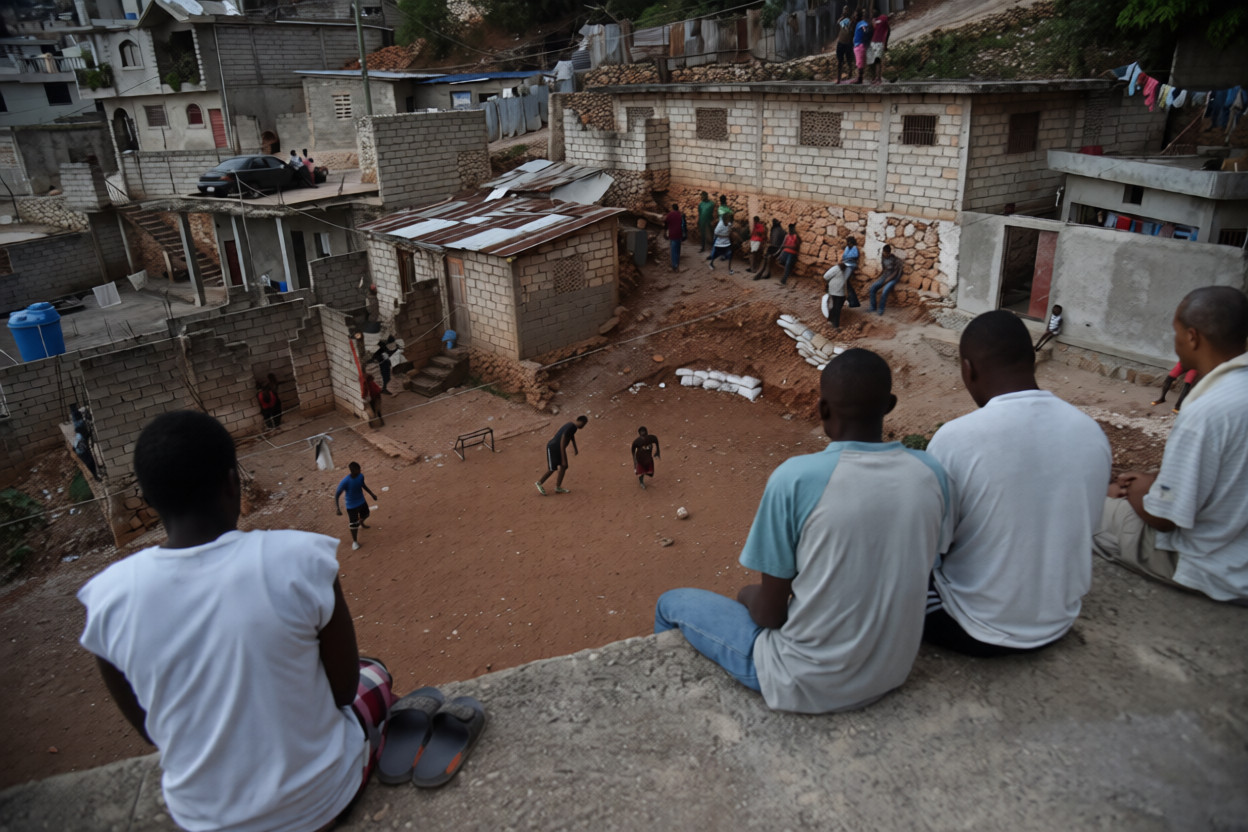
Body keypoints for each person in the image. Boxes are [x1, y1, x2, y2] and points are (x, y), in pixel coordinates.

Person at [78, 411, 392, 832]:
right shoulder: (300, 558)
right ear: (232, 483)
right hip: (322, 800)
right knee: (373, 672)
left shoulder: (108, 598)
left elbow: (153, 729)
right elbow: (342, 691)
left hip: (203, 819)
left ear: (150, 501)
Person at [654, 350, 953, 713]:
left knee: (670, 603)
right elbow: (927, 563)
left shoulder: (795, 478)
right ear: (889, 405)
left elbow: (770, 616)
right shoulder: (931, 473)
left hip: (803, 679)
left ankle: (668, 708)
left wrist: (747, 594)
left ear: (823, 410)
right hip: (890, 672)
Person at [925, 311, 1112, 657]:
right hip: (1058, 622)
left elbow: (933, 546)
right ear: (1032, 360)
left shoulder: (955, 439)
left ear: (969, 368)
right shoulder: (1090, 432)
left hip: (973, 629)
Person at [1094, 286, 1248, 604]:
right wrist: (1154, 480)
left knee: (1077, 503)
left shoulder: (1206, 409)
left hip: (1211, 568)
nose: (1175, 341)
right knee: (1148, 475)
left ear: (1192, 337)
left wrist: (1135, 491)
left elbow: (1164, 519)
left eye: (1176, 333)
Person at [536, 415, 588, 495]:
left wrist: (575, 447)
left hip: (558, 448)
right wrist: (563, 458)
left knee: (564, 466)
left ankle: (558, 487)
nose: (583, 426)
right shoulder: (572, 426)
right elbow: (563, 439)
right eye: (584, 424)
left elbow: (571, 436)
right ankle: (539, 483)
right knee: (552, 469)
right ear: (581, 421)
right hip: (553, 447)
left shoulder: (573, 427)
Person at [336, 460, 379, 551]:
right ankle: (355, 542)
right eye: (358, 469)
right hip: (351, 506)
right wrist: (338, 508)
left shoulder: (360, 476)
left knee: (366, 514)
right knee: (353, 525)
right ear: (353, 470)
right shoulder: (345, 481)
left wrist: (372, 494)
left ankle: (361, 523)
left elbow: (363, 485)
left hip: (361, 501)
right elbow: (337, 494)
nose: (360, 470)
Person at [868, 244, 903, 315]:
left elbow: (895, 273)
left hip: (893, 278)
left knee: (884, 291)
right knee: (872, 288)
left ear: (889, 253)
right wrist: (879, 278)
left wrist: (886, 281)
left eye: (886, 253)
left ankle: (881, 309)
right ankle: (873, 307)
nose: (884, 254)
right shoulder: (883, 257)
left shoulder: (894, 259)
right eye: (883, 252)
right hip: (885, 276)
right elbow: (884, 269)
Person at [70, 403, 99, 480]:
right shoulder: (81, 430)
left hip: (80, 448)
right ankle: (95, 475)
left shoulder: (80, 429)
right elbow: (85, 436)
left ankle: (95, 475)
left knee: (90, 463)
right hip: (82, 451)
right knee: (90, 463)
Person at [823, 262, 848, 329]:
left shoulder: (842, 269)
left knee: (836, 307)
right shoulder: (836, 268)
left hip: (838, 290)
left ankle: (830, 320)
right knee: (837, 308)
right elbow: (825, 276)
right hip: (835, 290)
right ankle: (835, 325)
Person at [867, 13, 890, 84]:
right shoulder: (880, 20)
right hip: (876, 42)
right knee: (875, 61)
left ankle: (877, 78)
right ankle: (876, 78)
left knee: (875, 61)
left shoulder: (881, 19)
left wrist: (885, 44)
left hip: (877, 42)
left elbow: (887, 31)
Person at [664, 202, 686, 272]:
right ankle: (677, 263)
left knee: (673, 250)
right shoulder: (681, 215)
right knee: (678, 249)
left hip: (672, 235)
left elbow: (666, 224)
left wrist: (665, 233)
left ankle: (674, 265)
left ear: (672, 208)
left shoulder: (669, 215)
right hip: (679, 234)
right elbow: (684, 225)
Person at [850, 13, 872, 84]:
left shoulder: (862, 23)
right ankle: (859, 78)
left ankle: (859, 79)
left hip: (860, 45)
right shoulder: (859, 24)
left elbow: (865, 30)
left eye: (855, 16)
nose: (854, 17)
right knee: (859, 62)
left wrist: (864, 40)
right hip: (858, 45)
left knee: (860, 63)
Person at [835, 11, 855, 83]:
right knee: (840, 61)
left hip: (848, 44)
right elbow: (838, 23)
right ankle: (839, 78)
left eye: (845, 12)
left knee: (848, 60)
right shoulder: (842, 21)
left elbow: (851, 31)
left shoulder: (851, 22)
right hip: (841, 43)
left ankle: (850, 72)